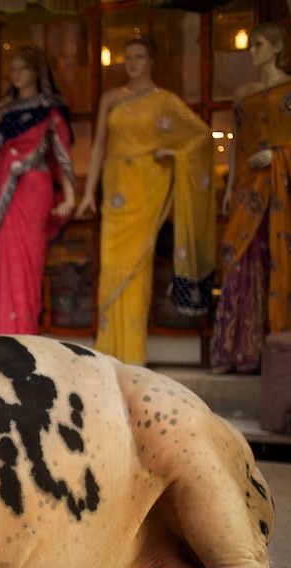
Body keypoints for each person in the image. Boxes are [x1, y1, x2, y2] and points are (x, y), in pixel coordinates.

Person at [76, 35, 215, 365]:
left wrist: (176, 152)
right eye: (128, 56)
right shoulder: (111, 98)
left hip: (146, 185)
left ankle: (132, 356)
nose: (133, 62)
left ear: (151, 61)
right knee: (111, 265)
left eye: (139, 56)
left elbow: (200, 138)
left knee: (137, 268)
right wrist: (87, 193)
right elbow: (97, 147)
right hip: (114, 189)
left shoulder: (165, 101)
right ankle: (108, 351)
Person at [209, 23, 291, 374]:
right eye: (251, 45)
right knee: (236, 261)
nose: (252, 51)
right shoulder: (242, 91)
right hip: (247, 188)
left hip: (278, 192)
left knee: (268, 263)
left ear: (276, 48)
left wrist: (279, 156)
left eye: (258, 44)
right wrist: (230, 186)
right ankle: (231, 349)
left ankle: (259, 351)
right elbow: (236, 142)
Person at [0, 45, 75, 335]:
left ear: (36, 72)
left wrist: (70, 194)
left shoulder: (49, 110)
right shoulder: (3, 110)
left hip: (34, 191)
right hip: (6, 192)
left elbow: (61, 152)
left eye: (22, 68)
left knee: (29, 263)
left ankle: (25, 333)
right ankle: (2, 332)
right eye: (13, 69)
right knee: (5, 261)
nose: (16, 74)